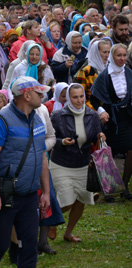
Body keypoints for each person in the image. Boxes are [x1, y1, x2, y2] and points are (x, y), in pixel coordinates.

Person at [0, 77, 51, 268]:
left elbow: (42, 157)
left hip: (30, 195)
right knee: (0, 245)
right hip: (6, 194)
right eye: (38, 92)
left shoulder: (37, 119)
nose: (42, 95)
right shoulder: (1, 120)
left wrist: (46, 192)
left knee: (29, 247)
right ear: (26, 96)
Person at [49, 84, 105, 242]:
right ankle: (50, 221)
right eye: (75, 97)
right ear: (68, 98)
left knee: (82, 199)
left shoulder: (92, 115)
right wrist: (62, 142)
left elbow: (95, 134)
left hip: (83, 163)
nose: (79, 100)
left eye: (81, 96)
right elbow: (50, 138)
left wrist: (100, 136)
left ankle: (68, 233)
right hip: (61, 163)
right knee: (67, 200)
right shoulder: (58, 115)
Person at [89, 43, 132, 199]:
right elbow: (94, 98)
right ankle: (109, 188)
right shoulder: (104, 75)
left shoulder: (129, 73)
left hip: (127, 116)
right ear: (112, 57)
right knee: (109, 152)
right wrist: (101, 111)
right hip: (111, 117)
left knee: (131, 150)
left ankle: (125, 186)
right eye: (118, 55)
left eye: (124, 55)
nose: (122, 58)